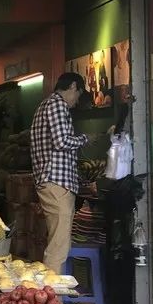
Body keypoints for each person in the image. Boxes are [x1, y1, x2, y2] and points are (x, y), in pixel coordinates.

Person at [31, 72, 89, 275]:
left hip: (51, 181)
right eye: (78, 95)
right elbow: (62, 141)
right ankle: (52, 299)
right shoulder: (57, 104)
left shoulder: (44, 105)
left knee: (57, 240)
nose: (76, 101)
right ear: (73, 86)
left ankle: (50, 296)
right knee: (58, 245)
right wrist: (85, 139)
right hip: (57, 183)